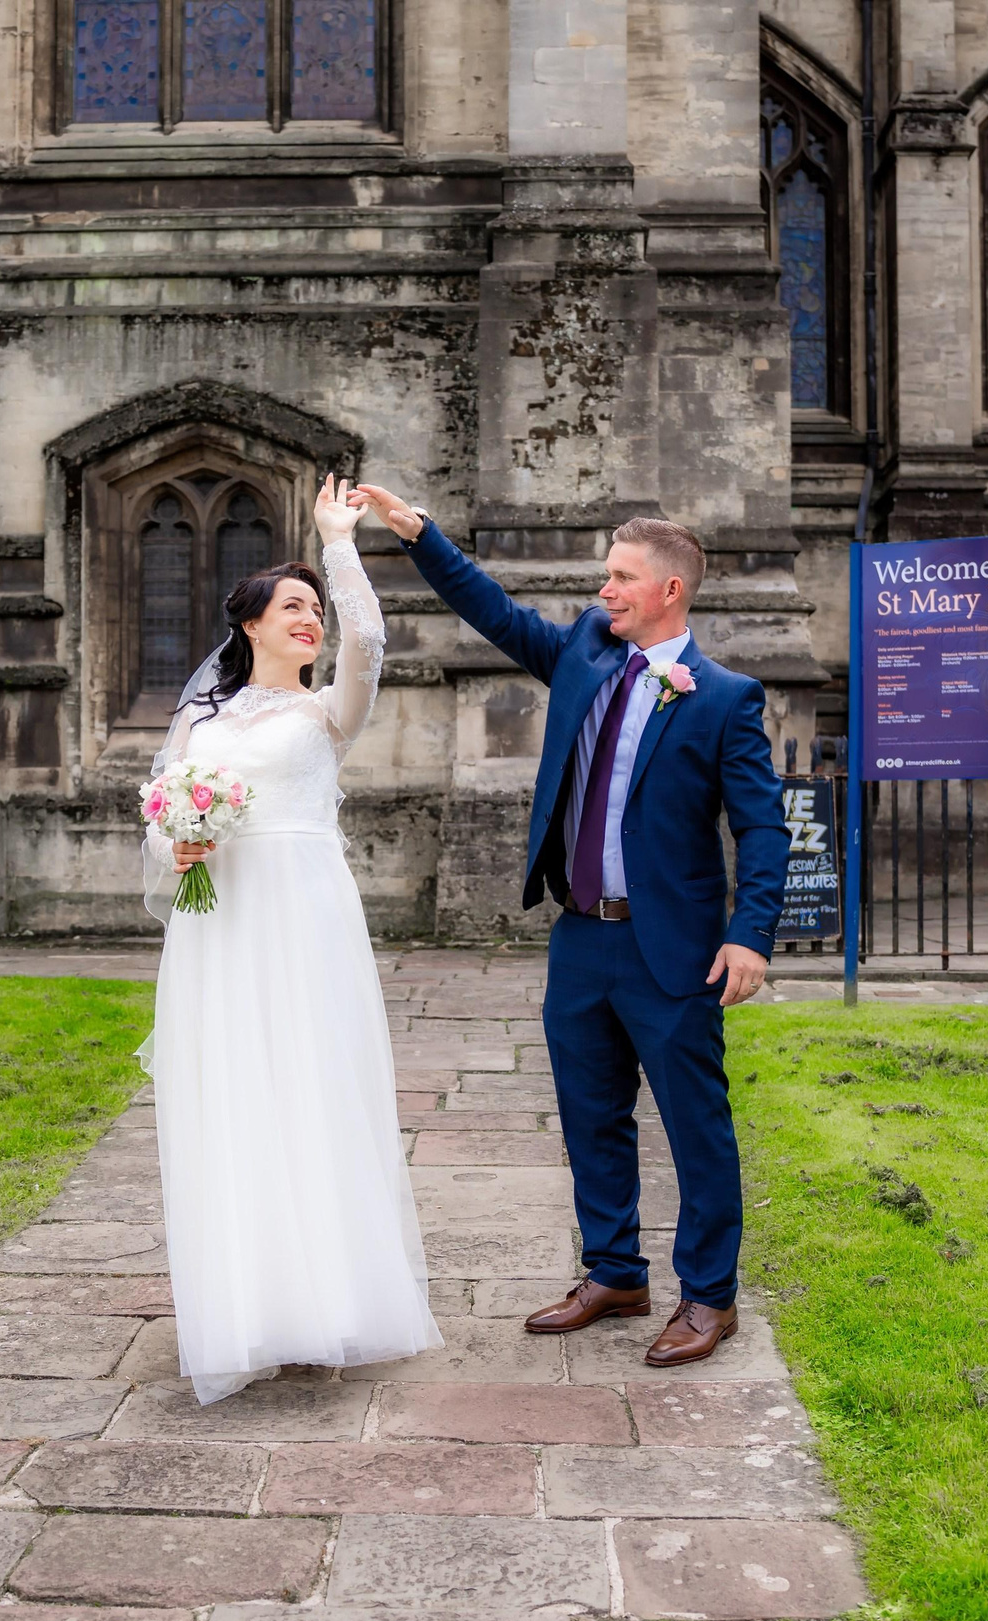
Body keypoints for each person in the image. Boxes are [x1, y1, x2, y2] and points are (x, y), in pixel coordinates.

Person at [354, 483, 786, 1366]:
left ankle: (710, 1297)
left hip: (674, 951)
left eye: (622, 578)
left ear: (670, 589)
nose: (605, 593)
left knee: (696, 1126)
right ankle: (616, 1273)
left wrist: (751, 935)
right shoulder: (585, 655)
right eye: (605, 577)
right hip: (581, 935)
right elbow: (495, 613)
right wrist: (418, 534)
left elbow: (763, 827)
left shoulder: (726, 699)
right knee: (590, 1115)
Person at [140, 476, 441, 1403]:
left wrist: (338, 544)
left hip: (305, 912)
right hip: (220, 919)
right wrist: (176, 839)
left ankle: (332, 1298)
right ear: (251, 626)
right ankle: (246, 1304)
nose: (311, 620)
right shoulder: (201, 720)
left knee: (313, 1086)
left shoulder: (327, 712)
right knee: (232, 1094)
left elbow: (373, 640)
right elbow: (159, 813)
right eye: (295, 607)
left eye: (317, 610)